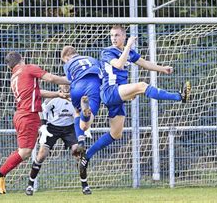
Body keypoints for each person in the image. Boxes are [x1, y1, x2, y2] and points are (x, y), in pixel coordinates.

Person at [79, 25, 191, 175]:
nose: (114, 38)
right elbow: (118, 64)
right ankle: (179, 96)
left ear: (124, 36)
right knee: (142, 86)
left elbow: (144, 63)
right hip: (110, 91)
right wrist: (129, 46)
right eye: (112, 35)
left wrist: (162, 68)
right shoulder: (107, 52)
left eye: (117, 35)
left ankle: (86, 156)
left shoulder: (129, 52)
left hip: (118, 95)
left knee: (116, 134)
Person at [0, 51, 70, 195]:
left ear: (10, 67)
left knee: (25, 151)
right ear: (23, 59)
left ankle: (0, 175)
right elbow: (51, 78)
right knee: (25, 152)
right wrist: (72, 80)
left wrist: (57, 94)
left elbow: (37, 92)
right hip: (28, 116)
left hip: (21, 115)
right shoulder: (28, 68)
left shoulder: (15, 76)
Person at [25, 85, 92, 196]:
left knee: (78, 152)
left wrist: (85, 126)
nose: (65, 86)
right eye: (63, 84)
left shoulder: (75, 98)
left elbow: (84, 112)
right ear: (59, 85)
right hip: (53, 127)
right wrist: (43, 126)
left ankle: (85, 185)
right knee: (42, 154)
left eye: (67, 84)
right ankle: (30, 184)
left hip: (70, 128)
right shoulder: (52, 98)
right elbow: (40, 109)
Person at [61, 46, 101, 150]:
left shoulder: (68, 64)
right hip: (94, 85)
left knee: (77, 113)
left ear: (66, 58)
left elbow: (69, 80)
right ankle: (86, 111)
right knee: (88, 120)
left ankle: (81, 140)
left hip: (78, 87)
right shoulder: (92, 59)